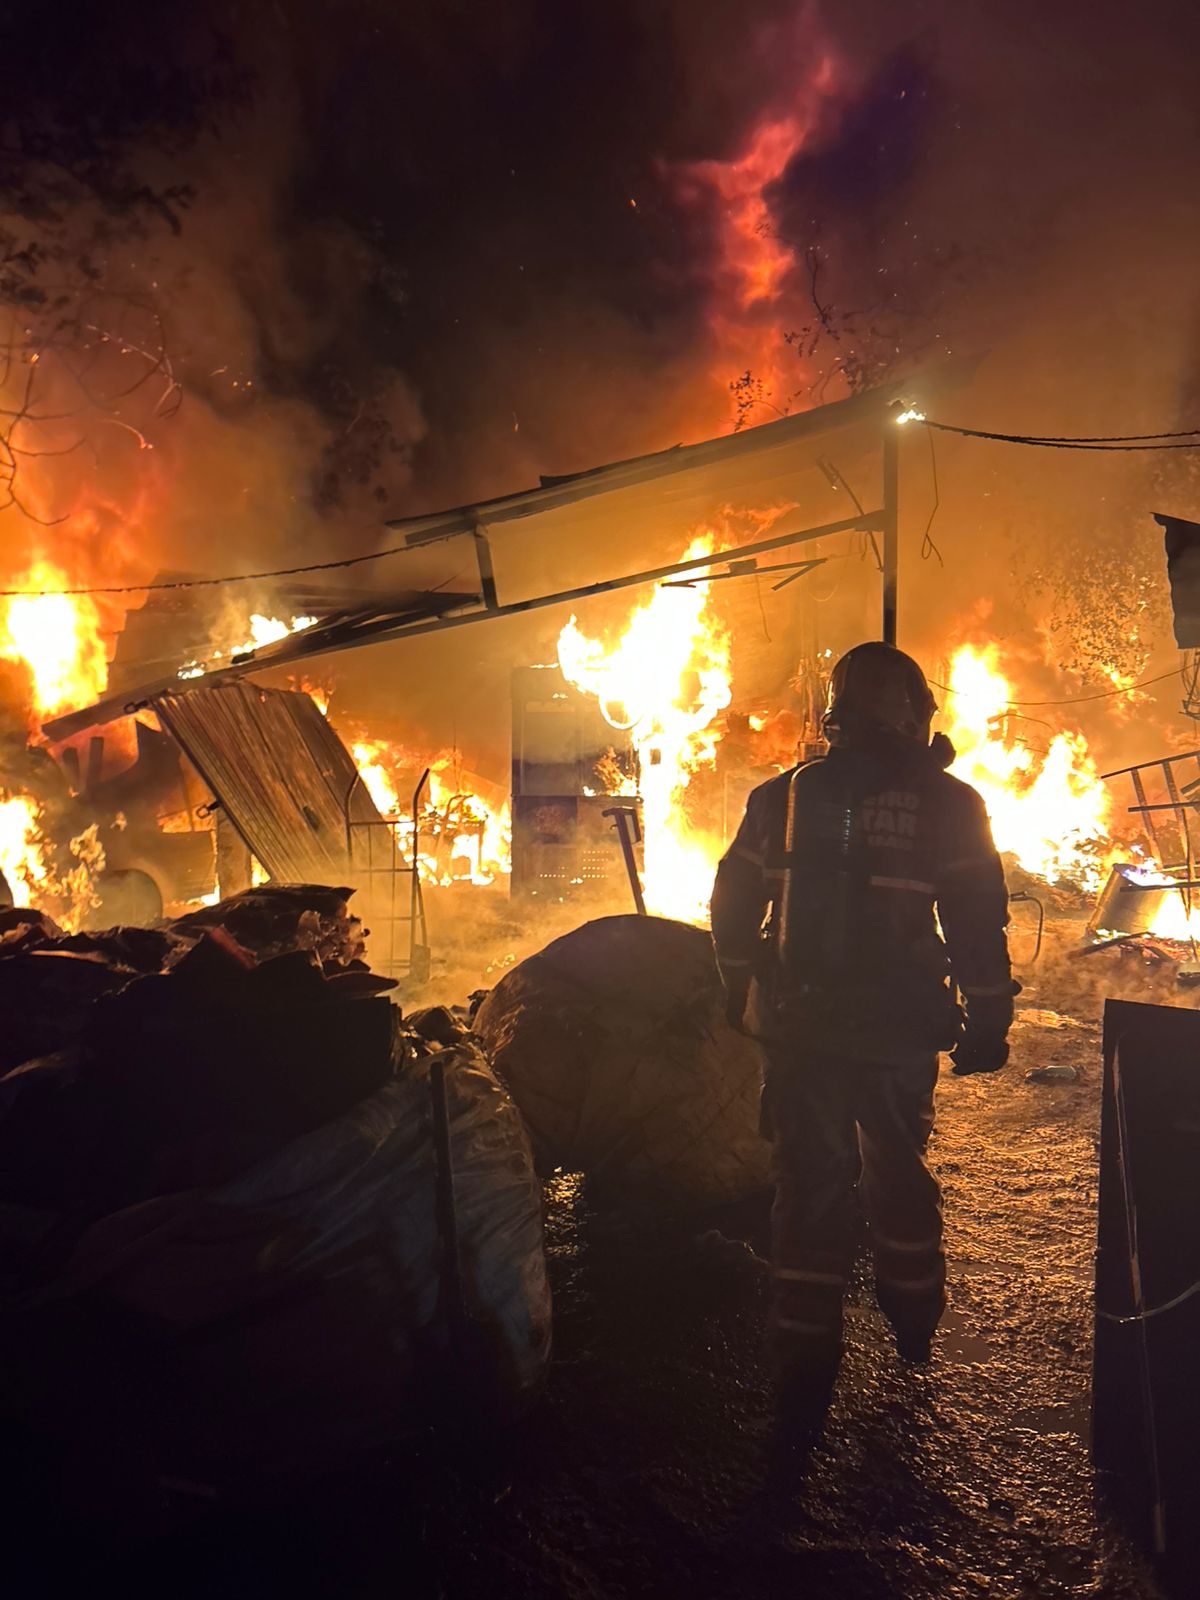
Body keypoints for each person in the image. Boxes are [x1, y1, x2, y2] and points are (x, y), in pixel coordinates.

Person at [710, 641, 1014, 1417]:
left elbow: (734, 899)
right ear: (912, 713)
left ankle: (804, 1357)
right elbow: (977, 924)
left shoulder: (781, 796)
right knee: (898, 1171)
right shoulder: (950, 804)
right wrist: (987, 1018)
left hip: (801, 1028)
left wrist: (736, 981)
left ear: (836, 715)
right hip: (895, 1033)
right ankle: (913, 1320)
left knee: (808, 1184)